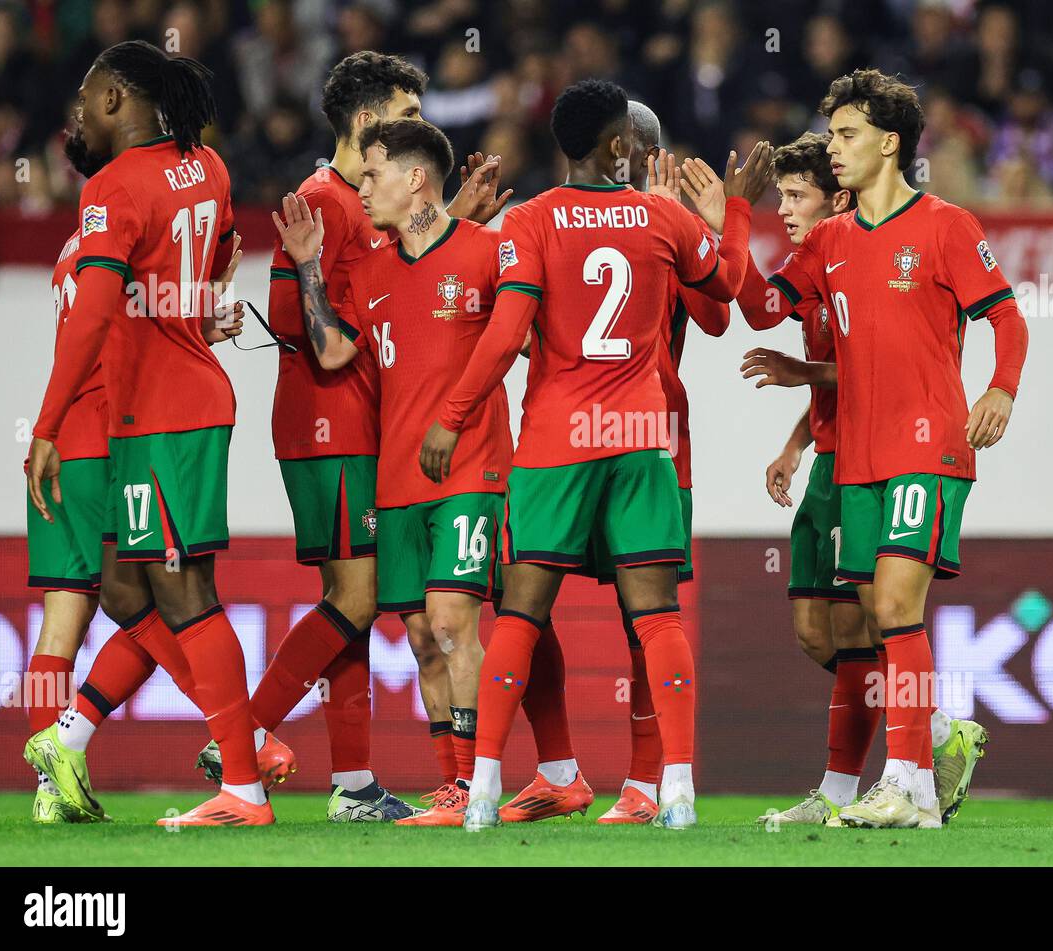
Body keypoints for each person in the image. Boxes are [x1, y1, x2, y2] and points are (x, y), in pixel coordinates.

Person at [419, 78, 771, 830]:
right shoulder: (659, 219)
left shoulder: (532, 220)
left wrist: (452, 415)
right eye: (640, 146)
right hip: (646, 437)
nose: (648, 156)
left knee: (520, 609)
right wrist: (729, 215)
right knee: (656, 616)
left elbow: (508, 331)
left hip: (556, 441)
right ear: (622, 148)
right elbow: (730, 288)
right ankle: (675, 787)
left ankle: (484, 785)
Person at [738, 69, 1026, 828]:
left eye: (847, 135)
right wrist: (728, 220)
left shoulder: (946, 226)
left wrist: (1000, 389)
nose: (833, 148)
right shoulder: (830, 238)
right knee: (873, 620)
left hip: (927, 447)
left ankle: (908, 785)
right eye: (832, 134)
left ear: (890, 142)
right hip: (855, 460)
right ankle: (920, 779)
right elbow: (763, 309)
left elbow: (1007, 318)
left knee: (897, 607)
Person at [25, 40, 270, 827]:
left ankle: (244, 782)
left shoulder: (115, 185)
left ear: (116, 101)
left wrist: (48, 424)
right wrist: (194, 311)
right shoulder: (208, 166)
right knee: (133, 587)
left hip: (161, 414)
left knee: (184, 591)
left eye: (91, 95)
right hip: (176, 404)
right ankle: (71, 739)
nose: (83, 112)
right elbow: (220, 247)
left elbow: (94, 312)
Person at [272, 117, 513, 826]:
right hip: (397, 478)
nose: (362, 186)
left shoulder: (487, 255)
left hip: (470, 467)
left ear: (415, 180)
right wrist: (309, 266)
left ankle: (478, 788)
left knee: (449, 622)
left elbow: (525, 339)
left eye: (372, 174)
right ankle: (451, 787)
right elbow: (334, 354)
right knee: (417, 635)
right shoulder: (368, 270)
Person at [499, 99, 731, 826]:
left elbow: (719, 314)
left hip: (632, 434)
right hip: (632, 431)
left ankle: (643, 783)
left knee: (633, 618)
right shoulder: (640, 223)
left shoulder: (652, 223)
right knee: (539, 603)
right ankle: (561, 768)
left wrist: (701, 227)